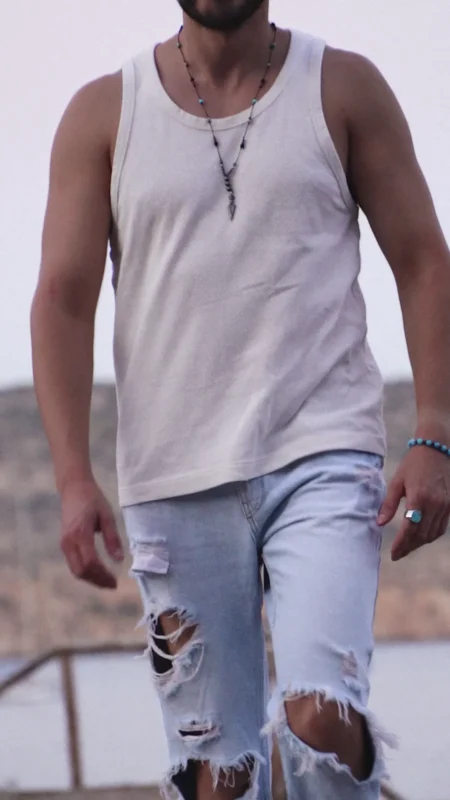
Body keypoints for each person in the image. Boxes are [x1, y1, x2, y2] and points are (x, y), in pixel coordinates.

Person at [31, 0, 450, 798]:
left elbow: (424, 257)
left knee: (321, 716)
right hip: (172, 482)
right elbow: (63, 298)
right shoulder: (103, 113)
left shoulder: (342, 87)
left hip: (322, 455)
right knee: (215, 777)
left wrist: (434, 429)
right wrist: (72, 478)